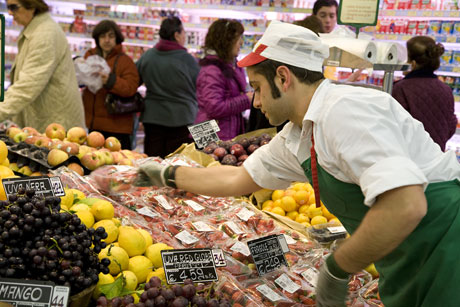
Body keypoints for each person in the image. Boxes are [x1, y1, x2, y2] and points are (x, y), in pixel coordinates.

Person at [136, 21, 460, 306]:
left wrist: (337, 266)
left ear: (283, 77)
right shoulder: (298, 134)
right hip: (406, 264)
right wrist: (166, 173)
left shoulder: (345, 111)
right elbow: (238, 180)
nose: (257, 102)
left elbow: (405, 205)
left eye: (258, 88)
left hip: (446, 254)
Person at [0, 0, 85, 131]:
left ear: (32, 6)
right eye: (8, 7)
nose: (10, 12)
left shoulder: (45, 34)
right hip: (46, 122)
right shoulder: (35, 29)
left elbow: (28, 85)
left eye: (14, 7)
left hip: (56, 126)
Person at [136, 17, 200, 158]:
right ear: (176, 35)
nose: (184, 36)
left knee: (153, 161)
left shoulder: (148, 56)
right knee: (176, 163)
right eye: (183, 32)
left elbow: (133, 81)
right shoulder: (187, 60)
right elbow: (200, 88)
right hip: (182, 118)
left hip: (153, 118)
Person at [392, 36, 457, 151]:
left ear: (413, 63)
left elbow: (394, 129)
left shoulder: (401, 88)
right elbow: (451, 125)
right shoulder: (446, 89)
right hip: (437, 157)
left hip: (409, 159)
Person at [82, 20, 140, 150]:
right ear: (97, 39)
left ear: (117, 38)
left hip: (117, 127)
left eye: (111, 36)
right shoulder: (89, 56)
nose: (107, 40)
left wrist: (110, 80)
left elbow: (130, 88)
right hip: (93, 124)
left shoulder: (125, 61)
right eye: (103, 36)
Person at [195, 19, 253, 141]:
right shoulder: (212, 70)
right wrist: (246, 99)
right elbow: (214, 107)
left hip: (225, 130)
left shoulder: (232, 64)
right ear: (226, 41)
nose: (241, 43)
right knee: (207, 160)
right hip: (209, 134)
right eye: (238, 39)